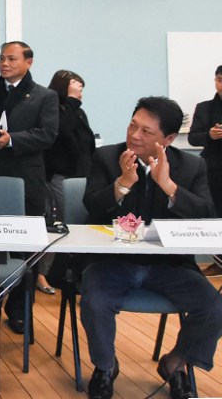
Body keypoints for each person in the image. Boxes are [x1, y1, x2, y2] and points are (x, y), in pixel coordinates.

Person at [81, 96, 222, 399]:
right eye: (133, 125)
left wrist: (168, 185)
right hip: (113, 262)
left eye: (147, 132)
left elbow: (208, 215)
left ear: (169, 139)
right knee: (94, 300)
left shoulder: (191, 165)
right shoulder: (107, 157)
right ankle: (106, 367)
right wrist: (122, 183)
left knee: (213, 307)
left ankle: (176, 363)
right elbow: (90, 205)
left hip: (170, 265)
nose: (134, 135)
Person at [0, 41, 59, 333]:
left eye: (11, 58)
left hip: (26, 179)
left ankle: (19, 310)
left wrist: (12, 139)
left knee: (26, 248)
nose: (4, 63)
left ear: (29, 62)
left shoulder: (45, 96)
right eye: (1, 58)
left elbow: (47, 135)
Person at [39, 70, 95, 295]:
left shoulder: (79, 112)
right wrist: (71, 101)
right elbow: (60, 131)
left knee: (80, 225)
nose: (80, 92)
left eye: (81, 88)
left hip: (81, 177)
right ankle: (42, 273)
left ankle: (72, 273)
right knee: (57, 224)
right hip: (59, 177)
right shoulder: (52, 108)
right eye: (76, 87)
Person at [188, 65, 222, 277]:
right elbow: (192, 138)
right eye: (219, 79)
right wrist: (209, 134)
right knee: (215, 213)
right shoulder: (204, 108)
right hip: (213, 168)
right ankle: (218, 260)